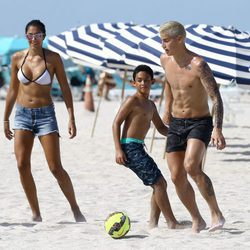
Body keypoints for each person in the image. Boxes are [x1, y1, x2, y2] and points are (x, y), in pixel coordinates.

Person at [3, 20, 85, 222]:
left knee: (55, 167)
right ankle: (36, 213)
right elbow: (13, 90)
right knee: (22, 164)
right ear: (26, 36)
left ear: (44, 36)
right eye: (30, 35)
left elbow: (65, 88)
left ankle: (75, 208)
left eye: (38, 35)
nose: (34, 39)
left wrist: (71, 117)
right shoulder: (17, 58)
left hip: (46, 115)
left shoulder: (53, 59)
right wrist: (5, 118)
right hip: (22, 114)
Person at [159, 21, 226, 233]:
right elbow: (170, 84)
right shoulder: (164, 60)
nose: (163, 45)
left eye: (166, 40)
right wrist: (167, 108)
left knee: (191, 166)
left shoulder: (199, 65)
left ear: (180, 39)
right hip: (176, 123)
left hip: (200, 122)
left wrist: (217, 128)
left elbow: (216, 98)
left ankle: (215, 212)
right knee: (176, 176)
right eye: (161, 40)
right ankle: (197, 218)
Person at [112, 64, 183, 229]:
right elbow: (116, 123)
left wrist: (179, 134)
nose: (143, 83)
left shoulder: (151, 105)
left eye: (146, 80)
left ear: (153, 82)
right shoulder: (132, 100)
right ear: (134, 83)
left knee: (159, 184)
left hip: (138, 148)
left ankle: (153, 222)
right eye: (139, 80)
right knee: (159, 183)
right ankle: (171, 222)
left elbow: (161, 128)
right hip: (129, 148)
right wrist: (118, 149)